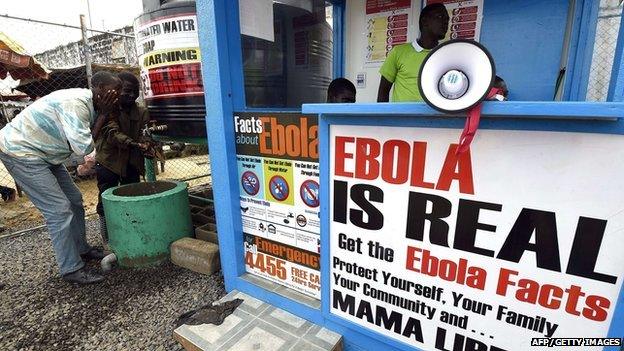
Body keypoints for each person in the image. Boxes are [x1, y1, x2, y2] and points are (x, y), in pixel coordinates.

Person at [0, 71, 121, 284]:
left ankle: (81, 249)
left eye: (119, 91)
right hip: (21, 152)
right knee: (58, 210)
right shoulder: (77, 103)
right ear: (98, 88)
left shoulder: (93, 104)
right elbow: (82, 148)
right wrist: (103, 114)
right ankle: (71, 269)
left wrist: (104, 113)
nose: (116, 95)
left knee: (74, 200)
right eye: (112, 90)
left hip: (45, 153)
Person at [95, 72, 149, 244]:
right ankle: (107, 237)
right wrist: (133, 143)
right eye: (127, 91)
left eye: (135, 91)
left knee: (132, 195)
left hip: (132, 161)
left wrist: (146, 143)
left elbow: (145, 132)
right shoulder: (107, 108)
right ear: (117, 90)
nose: (131, 95)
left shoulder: (141, 112)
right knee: (106, 198)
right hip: (109, 160)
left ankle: (131, 233)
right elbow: (111, 133)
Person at [377, 3, 449, 102]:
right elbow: (383, 91)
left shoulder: (446, 55)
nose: (445, 22)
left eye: (447, 19)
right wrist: (384, 116)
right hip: (402, 116)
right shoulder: (398, 52)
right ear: (424, 21)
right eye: (440, 17)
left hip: (434, 116)